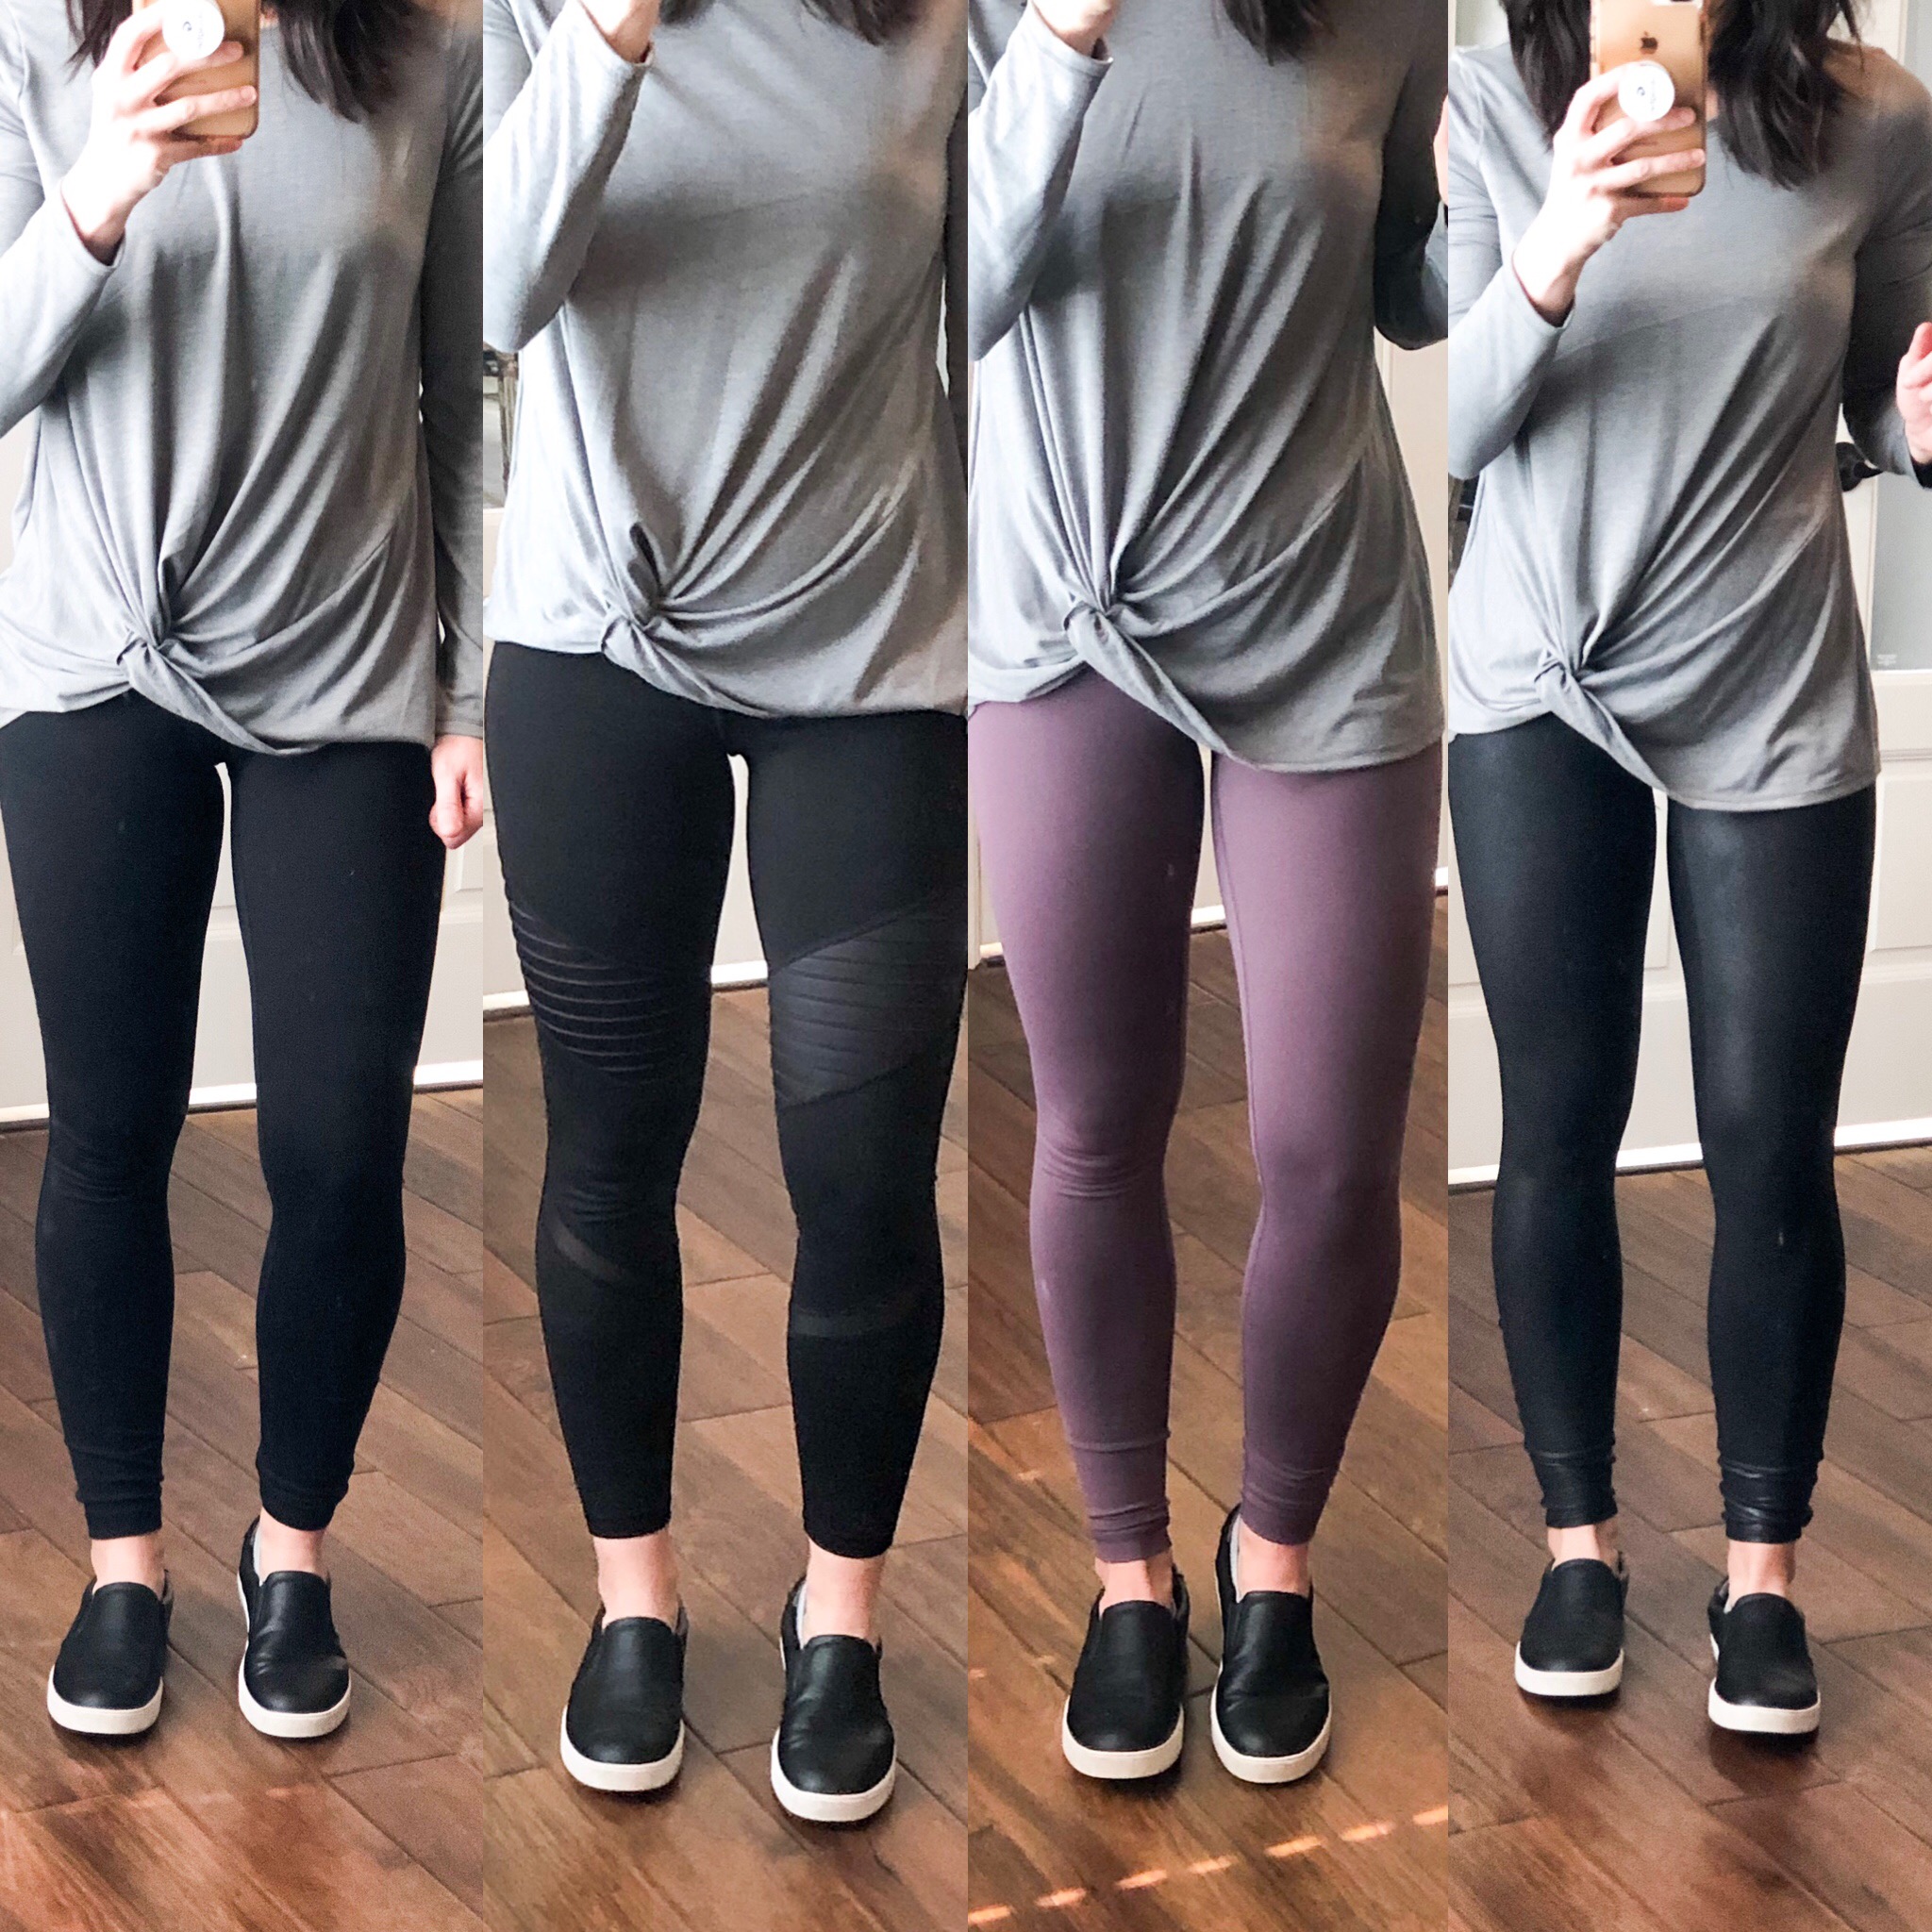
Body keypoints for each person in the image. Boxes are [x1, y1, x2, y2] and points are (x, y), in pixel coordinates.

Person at [482, 0, 966, 1822]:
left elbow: (1007, 310)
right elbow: (489, 295)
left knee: (863, 1175)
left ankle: (839, 1619)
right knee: (610, 1151)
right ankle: (636, 1606)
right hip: (597, 649)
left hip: (872, 650)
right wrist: (610, 34)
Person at [969, 0, 1446, 1784]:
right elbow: (947, 290)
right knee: (1097, 1123)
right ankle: (1128, 1580)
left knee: (1329, 1147)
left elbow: (1417, 286)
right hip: (1069, 615)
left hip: (1322, 612)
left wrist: (1525, 200)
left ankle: (1273, 1560)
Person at [0, 0, 485, 1740]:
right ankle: (123, 1566)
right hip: (97, 663)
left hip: (348, 671)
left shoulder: (433, 47)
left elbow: (458, 399)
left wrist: (468, 693)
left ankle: (294, 1551)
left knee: (343, 1152)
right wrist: (102, 188)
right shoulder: (33, 40)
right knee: (108, 1133)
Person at [1447, 0, 1932, 1737]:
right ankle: (1578, 1551)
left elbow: (1880, 405)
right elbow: (1458, 423)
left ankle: (1762, 1579)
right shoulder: (1492, 100)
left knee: (1771, 1145)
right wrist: (1566, 233)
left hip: (1771, 683)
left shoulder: (1875, 119)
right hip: (1542, 681)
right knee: (1557, 1125)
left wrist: (1921, 423)